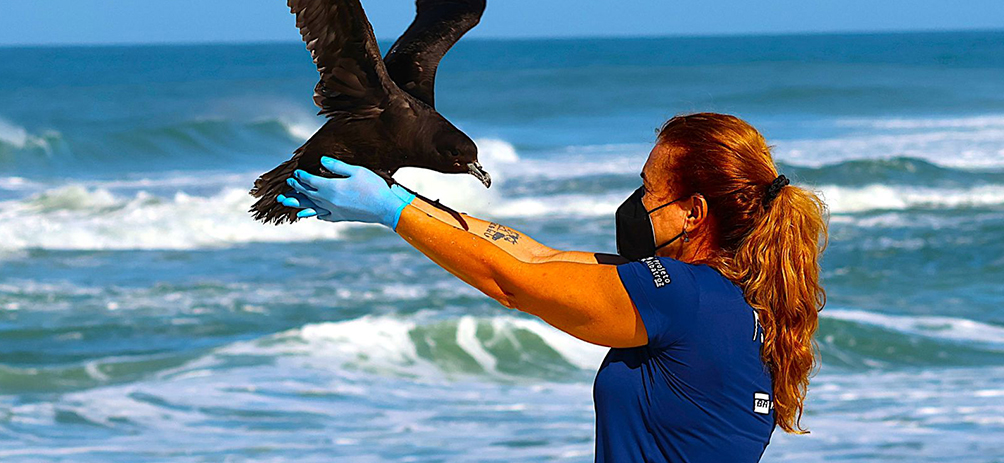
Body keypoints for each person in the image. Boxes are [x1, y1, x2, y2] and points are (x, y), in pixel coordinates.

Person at [278, 112, 828, 462]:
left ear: (692, 212)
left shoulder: (675, 296)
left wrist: (391, 210)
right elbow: (532, 254)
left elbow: (512, 282)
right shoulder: (728, 299)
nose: (635, 203)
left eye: (647, 188)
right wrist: (399, 202)